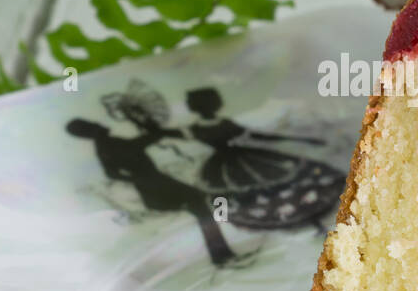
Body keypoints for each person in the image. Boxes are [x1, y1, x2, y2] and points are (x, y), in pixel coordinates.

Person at [65, 117, 243, 267]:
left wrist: (138, 176)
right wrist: (152, 132)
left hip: (156, 186)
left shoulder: (104, 145)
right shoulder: (108, 144)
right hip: (158, 187)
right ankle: (223, 253)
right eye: (91, 124)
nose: (98, 124)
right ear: (89, 130)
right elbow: (134, 148)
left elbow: (112, 170)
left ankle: (222, 254)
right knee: (207, 204)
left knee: (204, 208)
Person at [183, 87, 344, 230]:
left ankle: (307, 219)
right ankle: (302, 219)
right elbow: (257, 135)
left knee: (279, 184)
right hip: (231, 164)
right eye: (214, 102)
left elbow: (257, 135)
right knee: (269, 188)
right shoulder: (204, 127)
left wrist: (301, 139)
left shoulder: (206, 126)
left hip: (238, 159)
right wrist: (302, 139)